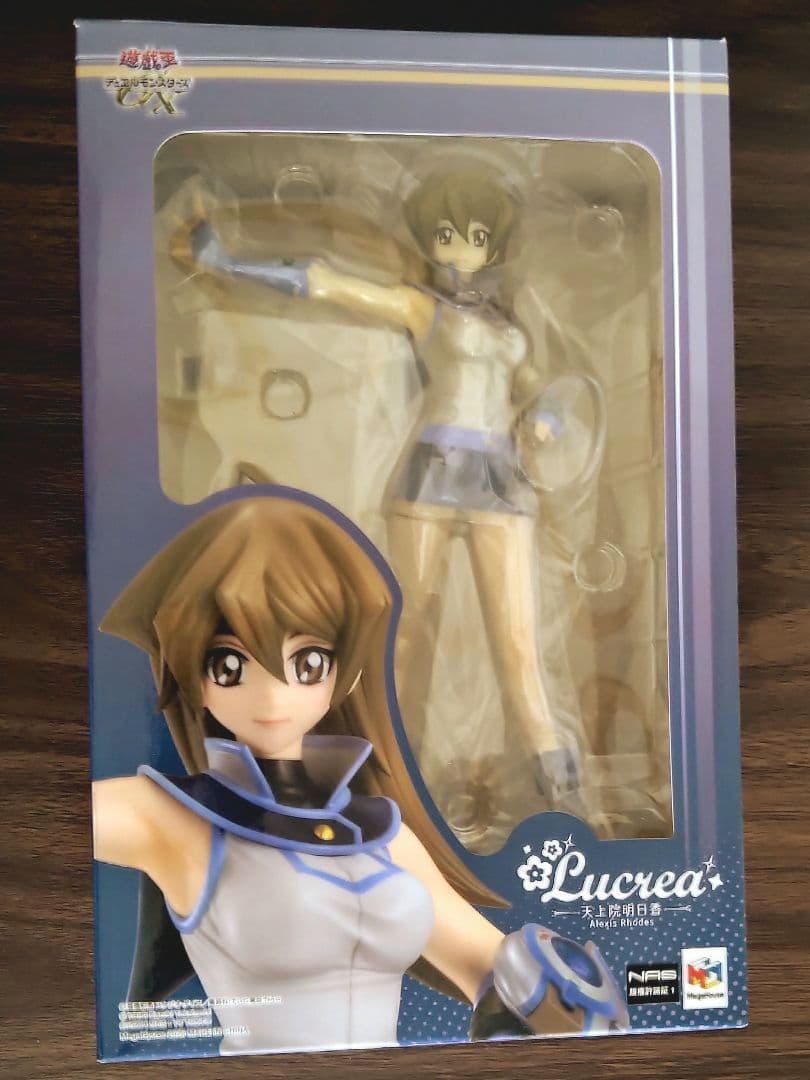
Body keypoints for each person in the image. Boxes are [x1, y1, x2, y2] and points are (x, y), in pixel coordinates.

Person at [92, 491, 625, 1055]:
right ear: (190, 673)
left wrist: (575, 1002)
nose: (272, 695)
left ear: (343, 673)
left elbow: (506, 972)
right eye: (229, 664)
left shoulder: (381, 838)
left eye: (307, 663)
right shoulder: (176, 822)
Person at [178, 168, 582, 839]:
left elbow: (545, 389)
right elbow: (334, 284)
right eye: (446, 233)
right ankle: (378, 768)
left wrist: (550, 420)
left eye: (474, 235)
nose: (460, 247)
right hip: (432, 471)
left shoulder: (508, 323)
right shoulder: (425, 307)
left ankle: (563, 793)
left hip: (500, 481)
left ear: (494, 244)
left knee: (517, 642)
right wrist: (224, 262)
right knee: (407, 631)